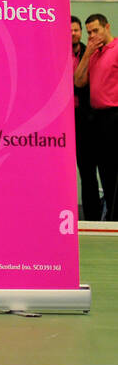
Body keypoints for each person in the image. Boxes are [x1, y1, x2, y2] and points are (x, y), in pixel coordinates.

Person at [75, 13, 118, 220]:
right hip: (98, 118)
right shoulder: (93, 53)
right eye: (89, 32)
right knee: (104, 169)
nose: (92, 35)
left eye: (96, 31)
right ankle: (109, 215)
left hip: (114, 115)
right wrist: (87, 53)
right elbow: (79, 82)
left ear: (107, 27)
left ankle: (114, 216)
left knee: (113, 168)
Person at [72, 16, 100, 220]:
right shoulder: (55, 54)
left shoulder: (91, 53)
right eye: (69, 30)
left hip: (85, 120)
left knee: (88, 170)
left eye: (76, 30)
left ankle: (93, 217)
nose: (73, 33)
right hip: (62, 121)